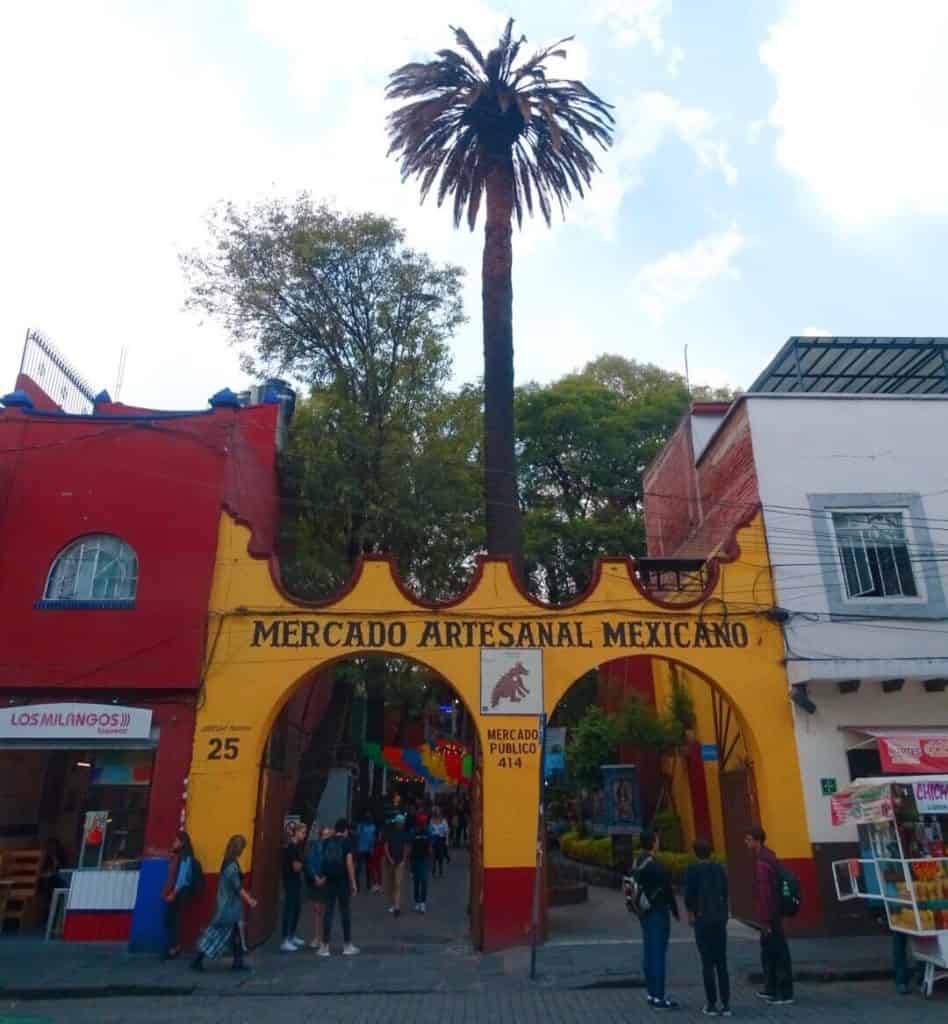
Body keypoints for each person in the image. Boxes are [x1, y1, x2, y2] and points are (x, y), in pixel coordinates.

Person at [191, 835, 257, 972]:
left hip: (227, 905)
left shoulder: (228, 862)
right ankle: (198, 959)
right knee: (215, 934)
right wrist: (249, 900)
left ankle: (237, 962)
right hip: (228, 907)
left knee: (234, 934)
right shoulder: (232, 867)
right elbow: (237, 887)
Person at [745, 825, 794, 1006]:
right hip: (772, 913)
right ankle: (772, 987)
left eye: (748, 839)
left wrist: (764, 921)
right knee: (770, 952)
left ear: (757, 840)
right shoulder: (768, 857)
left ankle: (783, 992)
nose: (746, 842)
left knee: (777, 952)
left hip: (770, 915)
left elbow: (765, 893)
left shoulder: (763, 862)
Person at [684, 838, 731, 1017]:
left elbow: (689, 896)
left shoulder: (692, 870)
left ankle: (711, 1004)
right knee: (721, 962)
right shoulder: (719, 868)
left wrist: (691, 915)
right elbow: (725, 892)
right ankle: (726, 1004)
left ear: (695, 852)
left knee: (707, 963)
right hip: (719, 919)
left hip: (702, 919)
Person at [633, 829, 680, 1010]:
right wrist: (676, 911)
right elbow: (667, 889)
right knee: (658, 954)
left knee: (649, 952)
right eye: (657, 839)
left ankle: (652, 993)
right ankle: (659, 996)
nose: (659, 842)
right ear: (653, 842)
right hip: (658, 911)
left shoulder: (638, 860)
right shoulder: (656, 864)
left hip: (644, 910)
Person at [317, 818, 359, 957]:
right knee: (345, 912)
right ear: (346, 830)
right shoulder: (347, 842)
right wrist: (353, 882)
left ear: (335, 829)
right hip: (342, 882)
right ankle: (347, 945)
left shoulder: (327, 841)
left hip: (329, 881)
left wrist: (322, 876)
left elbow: (322, 859)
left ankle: (324, 946)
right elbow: (349, 863)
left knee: (328, 912)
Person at [162, 830, 196, 960]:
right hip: (178, 893)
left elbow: (182, 879)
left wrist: (173, 894)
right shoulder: (179, 856)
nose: (173, 843)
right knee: (173, 920)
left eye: (176, 841)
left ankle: (174, 948)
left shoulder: (184, 857)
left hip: (180, 893)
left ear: (182, 843)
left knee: (175, 921)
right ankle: (173, 946)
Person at [280, 822, 306, 952]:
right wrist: (304, 863)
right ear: (296, 832)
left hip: (294, 881)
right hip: (291, 881)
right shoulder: (292, 848)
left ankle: (291, 936)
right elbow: (296, 867)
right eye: (303, 832)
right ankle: (285, 939)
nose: (304, 835)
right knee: (289, 908)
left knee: (296, 908)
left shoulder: (296, 847)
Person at [304, 825, 330, 948]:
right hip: (316, 880)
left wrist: (325, 877)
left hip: (327, 881)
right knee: (316, 910)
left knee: (325, 911)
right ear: (320, 836)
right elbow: (310, 862)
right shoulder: (315, 847)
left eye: (328, 835)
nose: (326, 837)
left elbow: (334, 864)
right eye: (325, 835)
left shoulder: (332, 848)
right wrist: (315, 877)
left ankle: (324, 937)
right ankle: (316, 937)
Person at [384, 814, 410, 917]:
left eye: (402, 822)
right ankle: (393, 902)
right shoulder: (390, 833)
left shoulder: (404, 833)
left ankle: (397, 907)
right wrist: (390, 858)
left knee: (397, 884)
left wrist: (403, 860)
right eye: (399, 822)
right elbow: (386, 846)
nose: (401, 824)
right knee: (391, 884)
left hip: (399, 862)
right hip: (390, 862)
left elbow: (406, 847)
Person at [409, 813, 432, 913]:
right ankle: (418, 902)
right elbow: (410, 847)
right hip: (415, 860)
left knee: (422, 881)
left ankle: (421, 903)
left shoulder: (427, 832)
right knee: (417, 882)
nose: (423, 824)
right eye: (421, 822)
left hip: (423, 859)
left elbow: (430, 847)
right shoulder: (413, 832)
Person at [355, 811, 377, 893]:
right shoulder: (372, 827)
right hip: (366, 849)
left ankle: (359, 886)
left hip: (362, 849)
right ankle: (367, 885)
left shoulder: (360, 826)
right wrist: (372, 848)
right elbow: (373, 839)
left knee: (361, 868)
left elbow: (357, 837)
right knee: (366, 868)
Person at [430, 806, 450, 879]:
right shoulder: (431, 821)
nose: (437, 813)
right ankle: (434, 870)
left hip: (441, 840)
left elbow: (446, 831)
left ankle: (440, 870)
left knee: (440, 856)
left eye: (438, 811)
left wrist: (447, 841)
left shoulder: (444, 821)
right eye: (436, 812)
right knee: (434, 856)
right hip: (434, 839)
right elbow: (430, 830)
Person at [369, 825, 386, 893]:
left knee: (378, 870)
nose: (380, 835)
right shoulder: (377, 840)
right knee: (376, 870)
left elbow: (371, 847)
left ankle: (378, 885)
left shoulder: (377, 840)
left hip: (378, 855)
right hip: (377, 854)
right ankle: (377, 885)